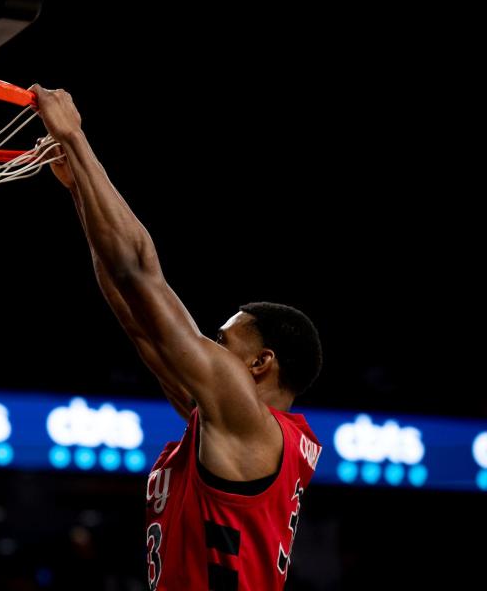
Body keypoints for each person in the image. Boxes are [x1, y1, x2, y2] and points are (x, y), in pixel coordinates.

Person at [32, 84, 324, 590]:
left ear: (260, 364)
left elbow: (141, 275)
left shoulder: (246, 421)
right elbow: (136, 317)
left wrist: (78, 141)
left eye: (221, 340)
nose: (206, 348)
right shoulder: (232, 425)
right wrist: (81, 191)